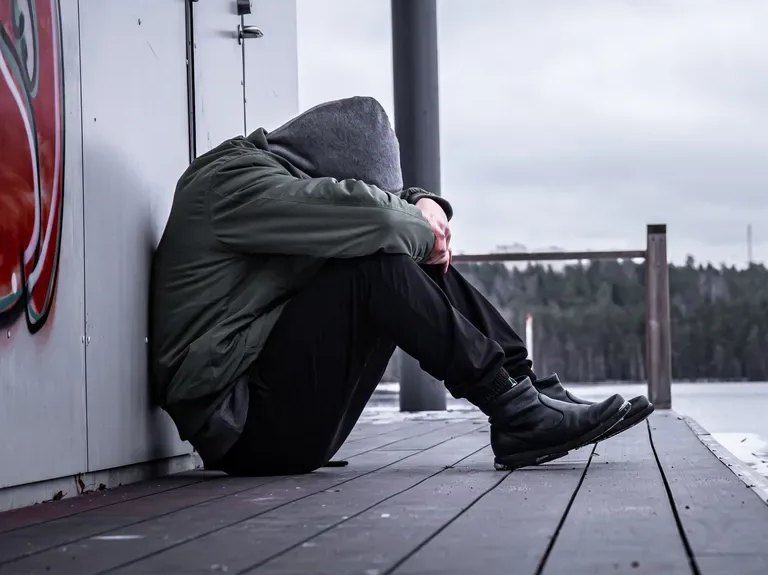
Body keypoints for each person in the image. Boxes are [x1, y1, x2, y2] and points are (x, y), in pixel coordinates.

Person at [149, 96, 652, 475]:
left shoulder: (281, 179)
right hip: (244, 429)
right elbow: (382, 222)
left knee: (391, 254)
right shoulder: (237, 185)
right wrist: (420, 219)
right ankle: (516, 408)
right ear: (323, 173)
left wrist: (426, 202)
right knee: (372, 265)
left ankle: (528, 393)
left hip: (282, 422)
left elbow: (386, 211)